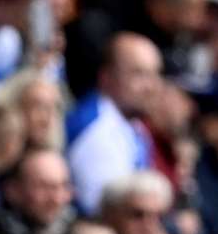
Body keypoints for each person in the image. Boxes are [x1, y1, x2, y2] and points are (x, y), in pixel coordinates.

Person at [66, 31, 161, 215]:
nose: (151, 87)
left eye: (154, 74)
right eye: (139, 74)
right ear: (106, 77)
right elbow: (111, 216)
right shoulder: (96, 128)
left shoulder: (133, 123)